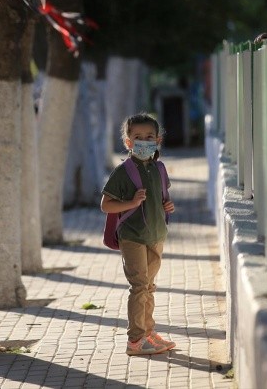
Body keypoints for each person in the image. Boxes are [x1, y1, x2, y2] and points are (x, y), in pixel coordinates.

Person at [101, 113, 177, 355]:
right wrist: (131, 203)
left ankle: (147, 332)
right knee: (139, 287)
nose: (144, 141)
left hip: (156, 235)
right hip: (132, 236)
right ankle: (135, 341)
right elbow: (106, 205)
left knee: (149, 287)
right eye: (138, 137)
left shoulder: (159, 168)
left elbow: (162, 198)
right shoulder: (123, 172)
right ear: (128, 142)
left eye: (149, 137)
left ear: (158, 140)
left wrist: (168, 206)